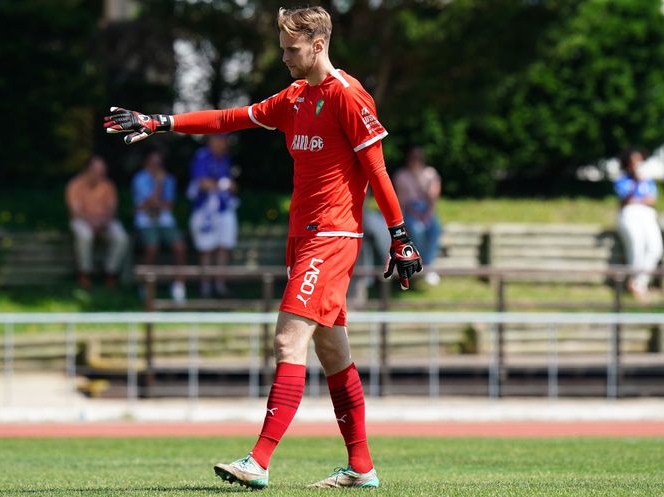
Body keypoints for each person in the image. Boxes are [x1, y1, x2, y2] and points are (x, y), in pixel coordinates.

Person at [105, 6, 422, 489]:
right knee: (333, 353)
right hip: (302, 238)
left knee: (287, 340)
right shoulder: (295, 97)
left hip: (332, 236)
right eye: (282, 49)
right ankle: (361, 468)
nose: (285, 58)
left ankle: (258, 460)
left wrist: (399, 236)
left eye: (292, 50)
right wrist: (159, 122)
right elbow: (229, 118)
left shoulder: (348, 95)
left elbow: (377, 170)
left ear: (319, 45)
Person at [131, 149, 188, 301]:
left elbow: (168, 205)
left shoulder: (169, 179)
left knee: (180, 247)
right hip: (145, 221)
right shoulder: (140, 179)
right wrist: (158, 184)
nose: (156, 167)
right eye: (153, 163)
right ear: (146, 163)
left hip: (165, 220)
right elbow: (150, 202)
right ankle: (146, 284)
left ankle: (178, 285)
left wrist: (153, 203)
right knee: (152, 246)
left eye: (159, 164)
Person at [65, 155, 129, 288]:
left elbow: (112, 209)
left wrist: (103, 222)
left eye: (102, 171)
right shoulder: (75, 185)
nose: (100, 174)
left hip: (104, 221)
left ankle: (110, 272)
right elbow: (76, 212)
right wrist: (93, 222)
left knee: (121, 237)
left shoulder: (108, 185)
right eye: (97, 171)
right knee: (85, 235)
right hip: (82, 220)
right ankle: (85, 273)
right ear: (87, 170)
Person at [187, 134, 239, 297]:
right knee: (207, 248)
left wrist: (228, 185)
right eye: (219, 139)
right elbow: (201, 182)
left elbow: (232, 185)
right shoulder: (202, 156)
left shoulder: (225, 158)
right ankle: (206, 287)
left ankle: (220, 285)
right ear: (211, 140)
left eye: (224, 140)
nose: (223, 143)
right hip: (205, 210)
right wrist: (223, 185)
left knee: (224, 246)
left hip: (224, 209)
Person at [614, 149, 663, 301]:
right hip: (629, 214)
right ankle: (637, 284)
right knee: (637, 245)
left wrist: (639, 195)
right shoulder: (622, 180)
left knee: (655, 248)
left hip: (647, 215)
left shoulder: (648, 181)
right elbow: (626, 200)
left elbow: (651, 200)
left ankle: (639, 282)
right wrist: (636, 183)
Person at [394, 146, 442, 286]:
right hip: (410, 210)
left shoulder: (430, 173)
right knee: (417, 229)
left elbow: (433, 197)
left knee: (435, 228)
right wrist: (417, 215)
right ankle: (422, 262)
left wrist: (427, 214)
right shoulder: (401, 175)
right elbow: (402, 201)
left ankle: (428, 264)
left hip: (426, 208)